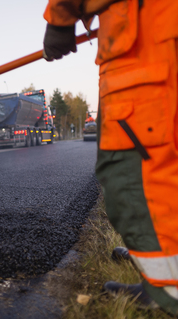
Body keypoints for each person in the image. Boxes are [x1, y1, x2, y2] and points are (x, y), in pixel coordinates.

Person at [43, 0, 178, 314]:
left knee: (134, 174)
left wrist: (60, 16)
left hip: (148, 38)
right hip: (156, 34)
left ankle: (169, 292)